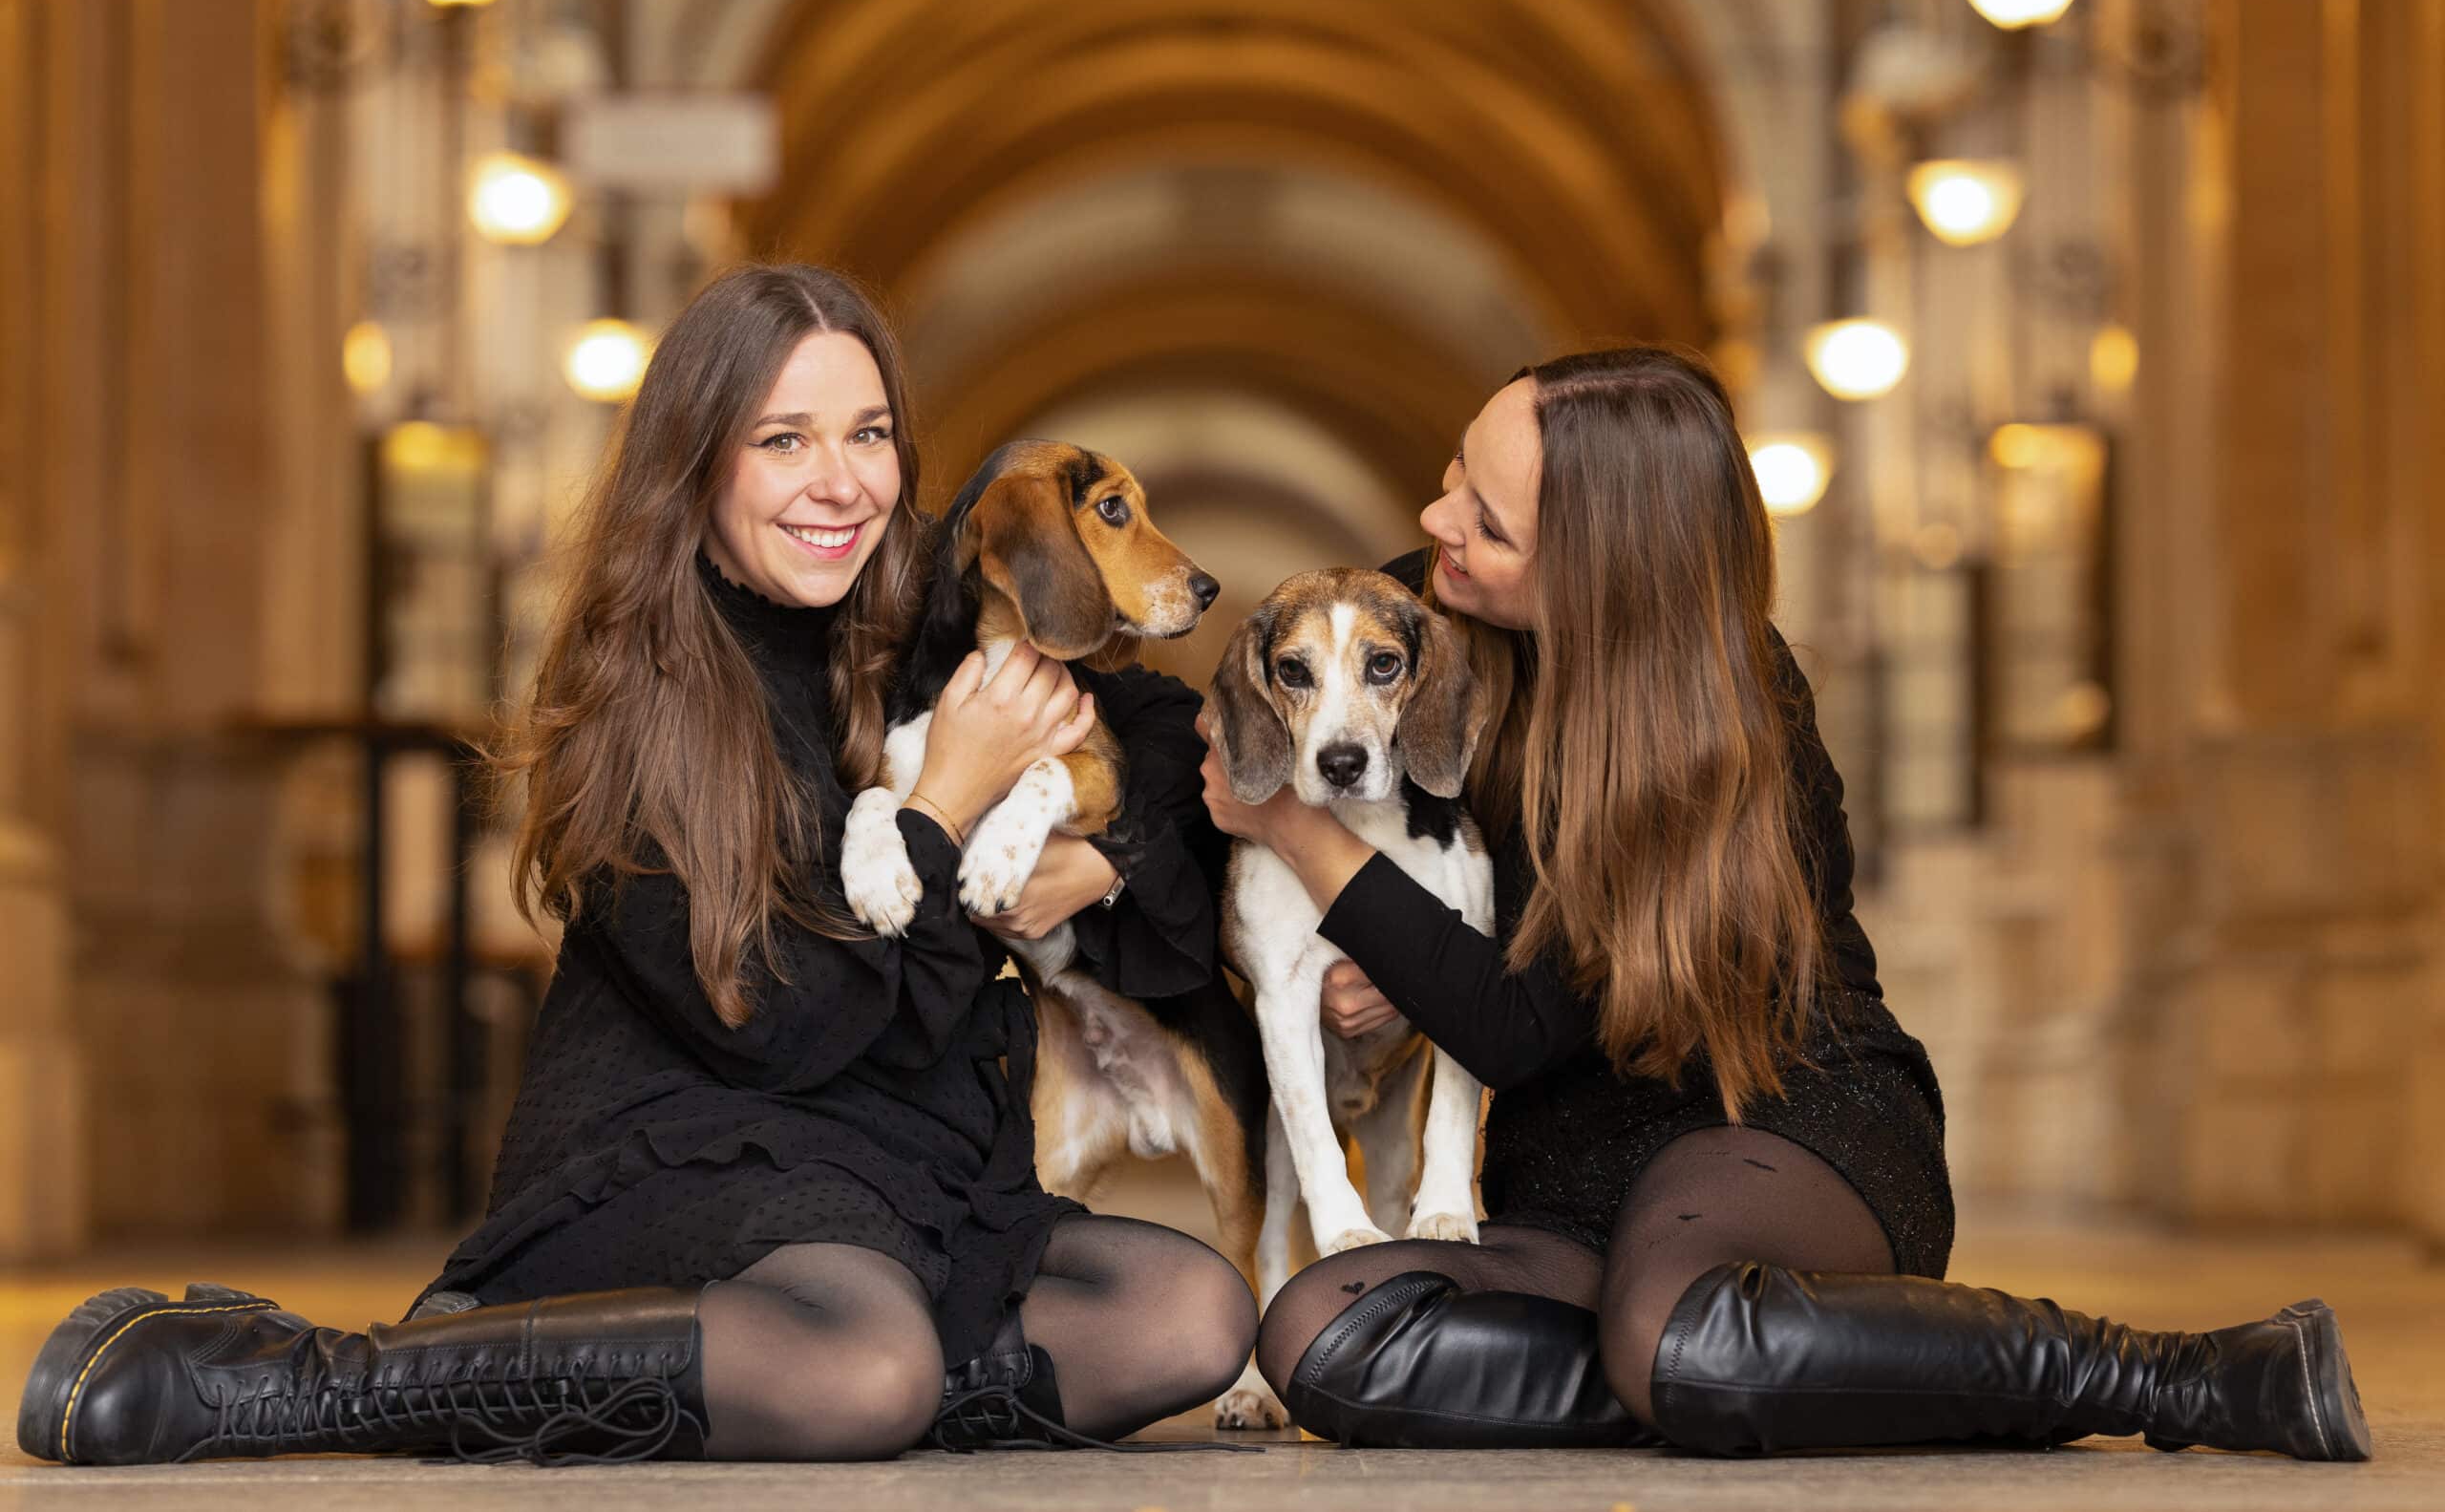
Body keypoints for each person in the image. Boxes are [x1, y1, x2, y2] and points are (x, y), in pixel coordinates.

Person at [19, 264, 1256, 1469]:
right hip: (696, 1150)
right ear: (700, 463)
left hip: (895, 1158)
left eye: (868, 432)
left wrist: (1090, 863)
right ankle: (315, 1374)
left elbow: (1162, 738)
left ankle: (756, 1375)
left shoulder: (907, 623)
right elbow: (791, 1029)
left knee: (1188, 1311)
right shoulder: (647, 696)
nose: (840, 481)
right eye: (784, 440)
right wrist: (943, 800)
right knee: (863, 1370)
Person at [1205, 346, 2370, 1460]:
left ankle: (2185, 1375)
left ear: (1596, 570)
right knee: (1325, 1332)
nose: (1436, 520)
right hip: (1563, 1177)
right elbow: (1235, 737)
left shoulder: (1721, 710)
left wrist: (1303, 841)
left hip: (1777, 1123)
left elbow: (1509, 1025)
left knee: (1672, 1329)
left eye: (1488, 522)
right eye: (1460, 474)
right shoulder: (1418, 624)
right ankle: (1726, 1380)